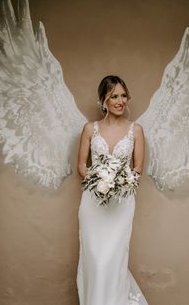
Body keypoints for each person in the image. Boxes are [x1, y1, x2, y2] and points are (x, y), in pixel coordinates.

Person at [76, 75, 148, 305]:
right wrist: (97, 181)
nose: (120, 101)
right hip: (92, 203)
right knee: (95, 260)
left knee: (113, 259)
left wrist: (123, 181)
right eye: (113, 96)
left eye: (123, 95)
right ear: (103, 100)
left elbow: (137, 168)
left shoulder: (136, 130)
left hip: (122, 204)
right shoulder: (90, 129)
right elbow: (80, 165)